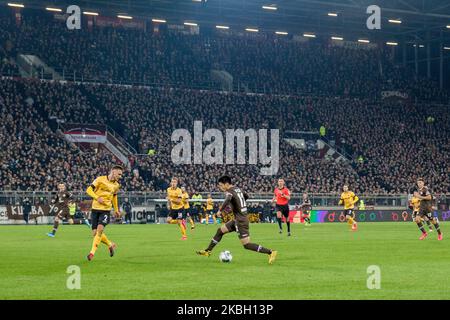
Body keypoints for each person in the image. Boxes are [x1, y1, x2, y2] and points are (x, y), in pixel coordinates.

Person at [196, 175, 277, 264]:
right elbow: (246, 195)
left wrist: (220, 210)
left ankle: (271, 252)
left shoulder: (229, 191)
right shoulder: (237, 189)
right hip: (237, 219)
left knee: (246, 245)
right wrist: (239, 204)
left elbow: (228, 199)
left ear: (226, 184)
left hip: (241, 221)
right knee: (220, 230)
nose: (220, 187)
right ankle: (208, 251)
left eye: (220, 185)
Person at [85, 165, 123, 261]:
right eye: (119, 174)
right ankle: (110, 244)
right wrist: (97, 197)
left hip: (106, 210)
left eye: (121, 175)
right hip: (95, 209)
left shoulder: (117, 185)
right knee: (95, 233)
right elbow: (88, 190)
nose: (120, 176)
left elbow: (114, 196)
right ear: (113, 171)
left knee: (100, 230)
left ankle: (91, 253)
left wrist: (116, 209)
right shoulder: (100, 179)